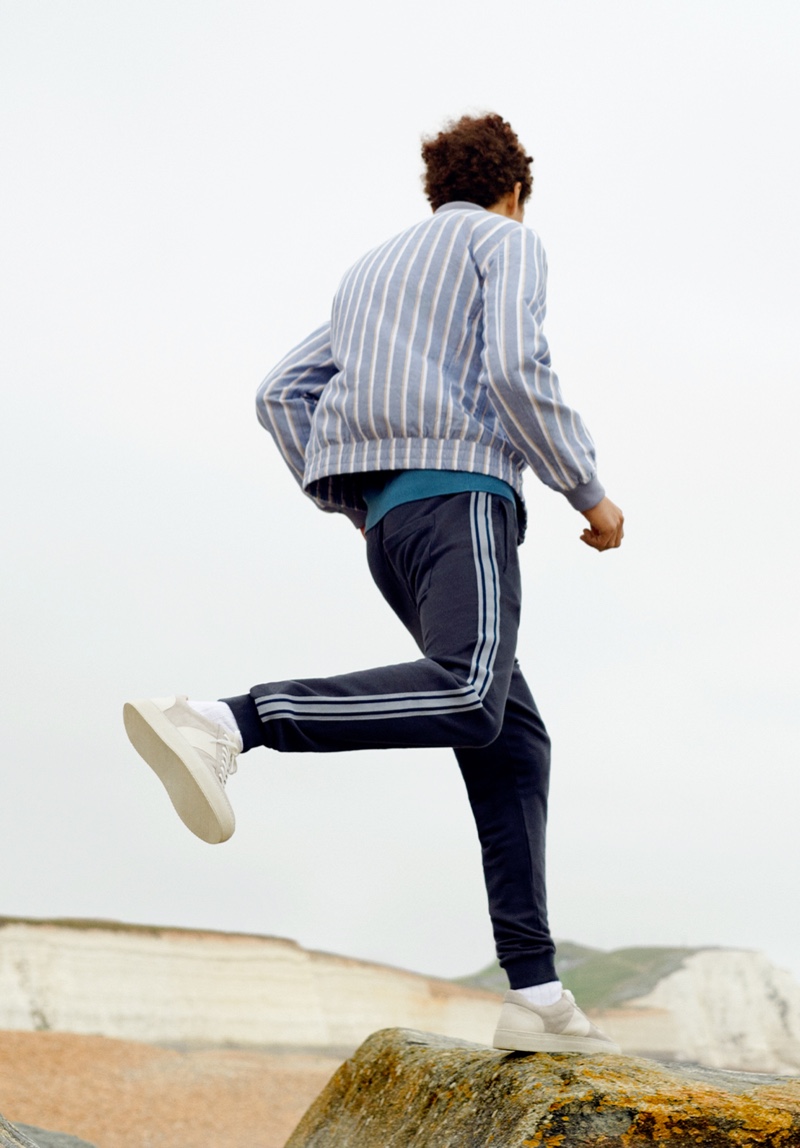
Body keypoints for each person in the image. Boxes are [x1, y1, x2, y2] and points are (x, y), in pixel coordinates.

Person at [124, 113, 624, 1055]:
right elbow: (518, 366)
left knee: (513, 742)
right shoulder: (504, 239)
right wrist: (586, 490)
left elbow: (281, 390)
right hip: (465, 498)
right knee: (473, 692)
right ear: (515, 189)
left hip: (389, 526)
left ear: (436, 187)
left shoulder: (371, 276)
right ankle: (227, 721)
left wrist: (356, 496)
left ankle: (537, 994)